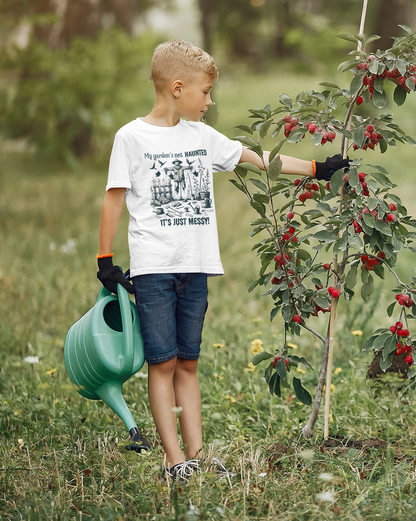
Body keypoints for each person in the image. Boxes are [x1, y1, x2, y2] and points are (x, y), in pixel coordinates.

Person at [96, 39, 348, 480]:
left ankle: (196, 454)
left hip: (195, 268)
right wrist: (105, 259)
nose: (210, 103)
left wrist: (315, 169)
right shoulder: (131, 137)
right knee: (163, 363)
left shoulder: (201, 136)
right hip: (154, 270)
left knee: (188, 361)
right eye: (205, 92)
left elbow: (257, 160)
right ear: (177, 88)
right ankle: (173, 460)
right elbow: (113, 199)